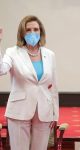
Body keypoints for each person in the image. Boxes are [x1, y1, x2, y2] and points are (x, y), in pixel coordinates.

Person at [0, 15, 59, 150]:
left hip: (44, 111)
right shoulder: (13, 52)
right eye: (28, 30)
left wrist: (55, 114)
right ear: (22, 32)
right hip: (19, 110)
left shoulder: (50, 54)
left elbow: (53, 86)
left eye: (36, 29)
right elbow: (1, 70)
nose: (32, 33)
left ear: (41, 32)